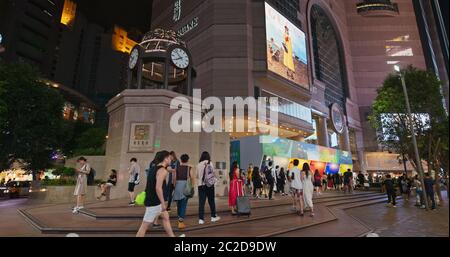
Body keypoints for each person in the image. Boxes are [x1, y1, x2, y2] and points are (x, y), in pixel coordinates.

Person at [136, 151, 177, 237]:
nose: (170, 160)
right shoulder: (162, 171)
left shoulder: (152, 169)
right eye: (169, 158)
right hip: (155, 202)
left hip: (151, 199)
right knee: (144, 226)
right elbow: (158, 188)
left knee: (166, 217)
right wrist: (163, 204)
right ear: (165, 159)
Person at [196, 151, 221, 225]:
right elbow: (213, 173)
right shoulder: (210, 163)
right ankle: (213, 217)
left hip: (201, 185)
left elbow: (197, 175)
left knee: (201, 202)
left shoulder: (199, 164)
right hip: (210, 185)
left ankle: (201, 219)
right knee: (211, 201)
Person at [172, 154, 195, 230]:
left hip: (178, 185)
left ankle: (179, 217)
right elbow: (192, 178)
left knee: (179, 203)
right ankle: (181, 220)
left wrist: (175, 186)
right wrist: (192, 187)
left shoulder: (177, 167)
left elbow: (174, 178)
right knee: (184, 203)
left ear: (181, 160)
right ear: (188, 160)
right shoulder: (189, 168)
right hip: (185, 186)